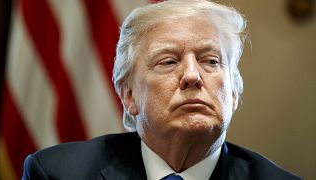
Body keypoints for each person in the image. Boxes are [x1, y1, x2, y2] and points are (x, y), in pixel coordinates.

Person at [22, 0, 301, 179]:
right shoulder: (57, 173)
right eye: (168, 61)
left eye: (211, 61)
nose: (192, 76)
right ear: (129, 95)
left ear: (233, 93)